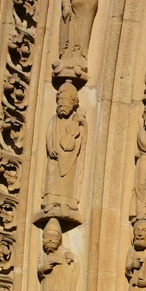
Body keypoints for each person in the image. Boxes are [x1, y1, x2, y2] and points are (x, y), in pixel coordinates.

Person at [42, 81, 87, 216]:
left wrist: (82, 122)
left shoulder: (75, 121)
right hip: (54, 157)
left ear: (73, 102)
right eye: (59, 100)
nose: (61, 103)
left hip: (69, 158)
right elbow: (49, 135)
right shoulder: (54, 120)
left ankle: (65, 202)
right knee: (51, 176)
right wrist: (50, 149)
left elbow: (81, 139)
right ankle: (50, 201)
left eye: (65, 100)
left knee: (67, 180)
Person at [53, 0, 98, 80]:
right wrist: (66, 3)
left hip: (88, 3)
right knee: (66, 26)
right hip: (73, 1)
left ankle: (80, 64)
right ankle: (64, 61)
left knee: (83, 33)